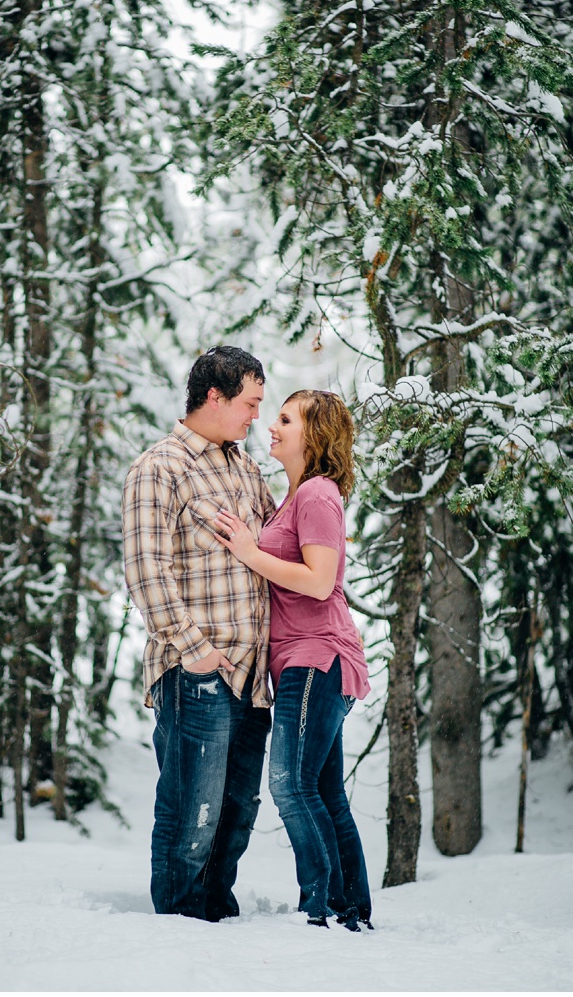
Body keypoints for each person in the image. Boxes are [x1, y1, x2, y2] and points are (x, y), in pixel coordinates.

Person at [122, 345, 276, 922]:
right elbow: (145, 572)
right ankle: (180, 930)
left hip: (251, 678)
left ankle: (218, 925)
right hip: (197, 673)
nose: (256, 415)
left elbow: (274, 544)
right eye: (250, 403)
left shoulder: (243, 467)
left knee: (237, 811)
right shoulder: (159, 467)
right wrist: (196, 651)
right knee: (194, 811)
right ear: (215, 396)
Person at [213, 389, 373, 931]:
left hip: (316, 657)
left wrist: (250, 552)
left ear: (315, 434)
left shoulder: (318, 494)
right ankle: (352, 910)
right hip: (300, 662)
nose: (272, 426)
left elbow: (320, 580)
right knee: (323, 790)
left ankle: (322, 907)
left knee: (289, 783)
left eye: (285, 419)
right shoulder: (296, 495)